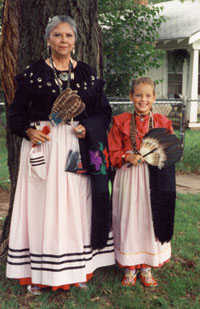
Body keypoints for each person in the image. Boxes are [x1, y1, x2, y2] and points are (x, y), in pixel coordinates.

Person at [7, 15, 115, 294]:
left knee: (77, 208)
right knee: (43, 208)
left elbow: (105, 113)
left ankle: (77, 269)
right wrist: (29, 132)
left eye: (68, 35)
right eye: (57, 35)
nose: (63, 40)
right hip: (44, 145)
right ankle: (40, 274)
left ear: (75, 40)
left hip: (78, 147)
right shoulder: (33, 74)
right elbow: (15, 116)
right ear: (48, 40)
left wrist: (87, 129)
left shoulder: (87, 74)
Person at [108, 77, 176, 288]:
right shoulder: (120, 121)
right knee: (129, 218)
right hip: (129, 177)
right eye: (138, 95)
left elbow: (171, 151)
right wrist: (125, 157)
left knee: (148, 218)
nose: (143, 99)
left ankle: (146, 267)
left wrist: (158, 157)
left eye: (147, 95)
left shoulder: (163, 123)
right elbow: (111, 151)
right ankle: (130, 267)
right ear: (131, 96)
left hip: (153, 178)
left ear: (154, 98)